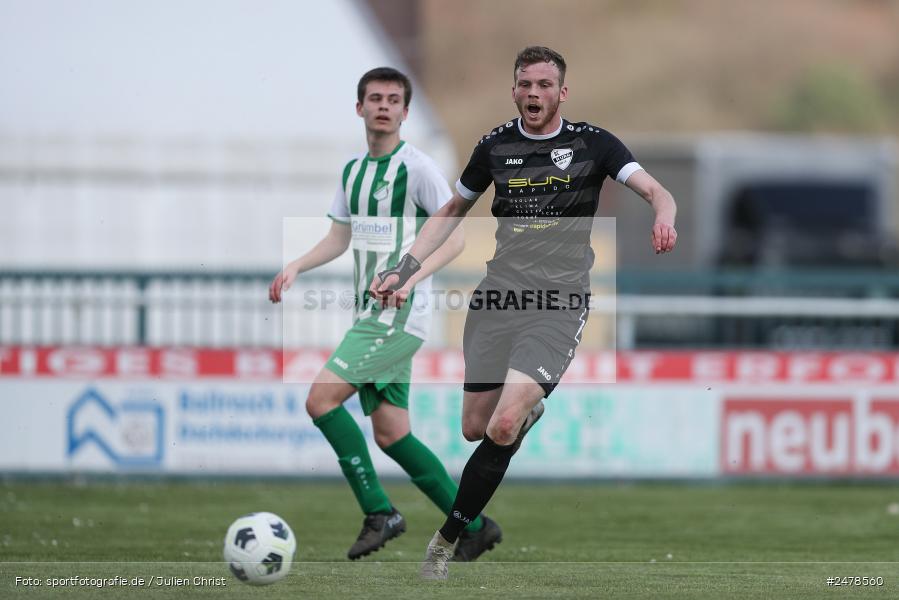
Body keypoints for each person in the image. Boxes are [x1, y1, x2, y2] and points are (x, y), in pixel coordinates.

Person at [369, 47, 678, 580]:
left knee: (504, 424)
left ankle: (444, 543)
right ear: (514, 91)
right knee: (475, 429)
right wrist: (406, 266)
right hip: (498, 298)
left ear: (562, 92)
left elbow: (655, 189)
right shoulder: (494, 146)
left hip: (558, 304)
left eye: (544, 85)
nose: (534, 94)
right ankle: (525, 412)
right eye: (525, 85)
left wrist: (664, 215)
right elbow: (451, 210)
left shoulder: (594, 143)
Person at [269, 67, 501, 562]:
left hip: (399, 312)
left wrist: (410, 278)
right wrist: (297, 265)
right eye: (374, 98)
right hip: (371, 314)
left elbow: (455, 236)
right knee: (393, 434)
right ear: (360, 108)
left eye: (393, 100)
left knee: (320, 400)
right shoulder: (353, 171)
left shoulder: (417, 168)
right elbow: (339, 236)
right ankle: (476, 527)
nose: (383, 106)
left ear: (405, 111)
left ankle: (380, 512)